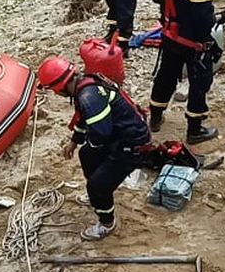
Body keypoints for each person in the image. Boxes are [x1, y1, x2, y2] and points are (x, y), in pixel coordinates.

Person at [38, 56, 151, 241]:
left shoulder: (88, 97)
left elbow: (101, 133)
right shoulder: (85, 85)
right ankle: (98, 194)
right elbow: (85, 119)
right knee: (86, 154)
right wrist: (75, 141)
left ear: (59, 87)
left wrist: (98, 152)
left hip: (131, 143)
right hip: (120, 135)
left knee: (97, 185)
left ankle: (106, 223)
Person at [149, 0, 225, 144]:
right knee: (199, 82)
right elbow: (204, 22)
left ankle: (155, 117)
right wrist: (211, 34)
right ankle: (194, 130)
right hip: (192, 43)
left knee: (165, 76)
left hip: (168, 35)